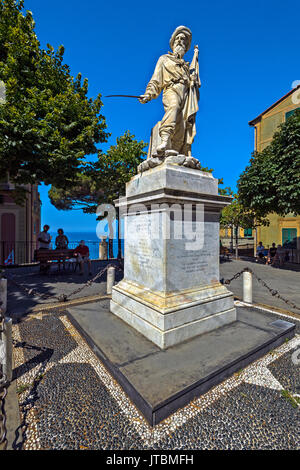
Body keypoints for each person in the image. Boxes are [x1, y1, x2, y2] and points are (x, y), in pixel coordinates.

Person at [139, 25, 200, 156]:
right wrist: (148, 94)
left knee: (182, 124)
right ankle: (165, 139)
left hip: (185, 94)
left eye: (183, 39)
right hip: (171, 89)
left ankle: (177, 151)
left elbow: (192, 84)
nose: (180, 41)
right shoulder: (164, 59)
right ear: (173, 43)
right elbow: (156, 80)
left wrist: (192, 81)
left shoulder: (186, 67)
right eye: (177, 38)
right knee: (174, 106)